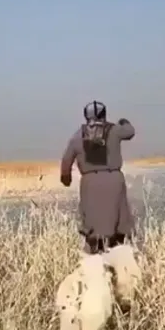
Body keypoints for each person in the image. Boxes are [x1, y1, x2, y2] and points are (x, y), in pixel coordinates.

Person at [60, 100, 135, 254]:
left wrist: (65, 178)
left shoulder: (77, 135)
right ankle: (116, 257)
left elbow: (66, 160)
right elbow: (130, 131)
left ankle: (96, 258)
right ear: (104, 114)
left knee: (92, 228)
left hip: (90, 183)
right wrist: (123, 121)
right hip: (114, 180)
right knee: (118, 224)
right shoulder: (114, 130)